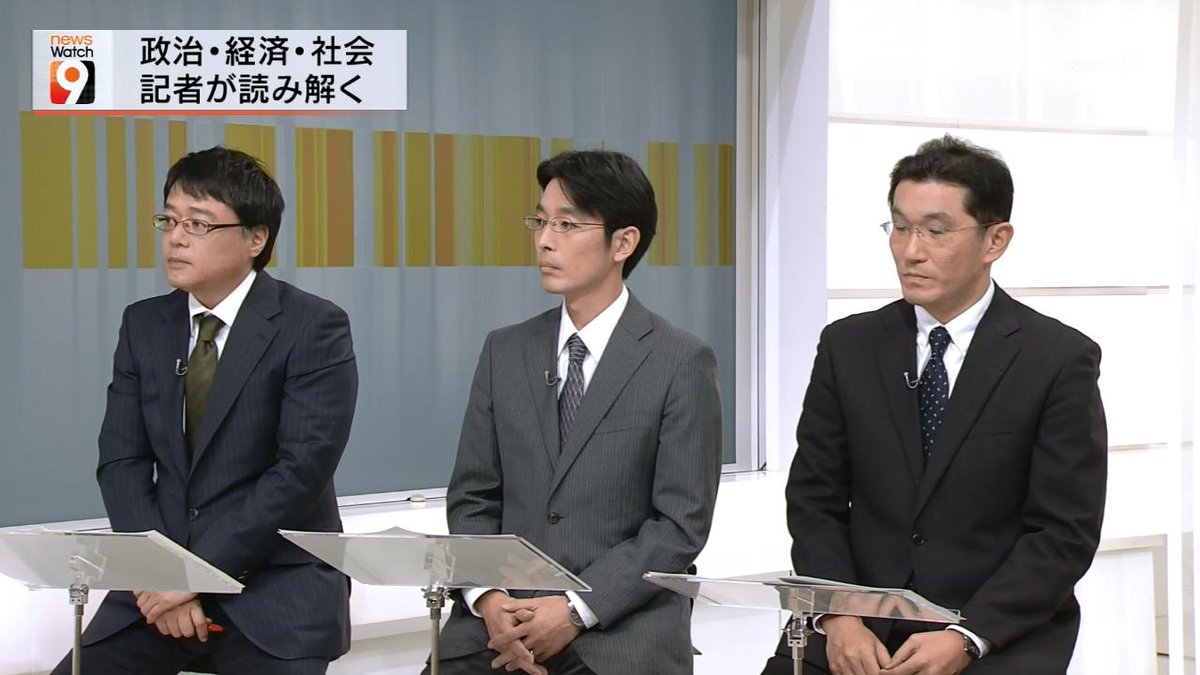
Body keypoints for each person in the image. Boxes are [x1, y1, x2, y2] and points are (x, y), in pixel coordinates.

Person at [762, 135, 1107, 675]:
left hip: (993, 635)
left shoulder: (1058, 360)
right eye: (900, 227)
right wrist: (839, 615)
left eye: (936, 231)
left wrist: (968, 636)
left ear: (995, 240)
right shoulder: (847, 346)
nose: (911, 251)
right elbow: (814, 500)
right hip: (854, 627)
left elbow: (1063, 533)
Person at [51, 146, 358, 675]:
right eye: (169, 220)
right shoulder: (144, 325)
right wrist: (161, 573)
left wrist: (193, 575)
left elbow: (300, 472)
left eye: (198, 223)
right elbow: (121, 461)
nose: (176, 237)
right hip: (157, 586)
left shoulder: (312, 326)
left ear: (255, 238)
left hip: (273, 586)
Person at [426, 149, 723, 675]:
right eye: (540, 222)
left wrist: (574, 610)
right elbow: (473, 498)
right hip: (496, 629)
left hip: (618, 632)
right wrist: (488, 598)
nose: (544, 240)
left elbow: (679, 526)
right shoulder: (504, 351)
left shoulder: (679, 361)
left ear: (623, 242)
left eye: (566, 224)